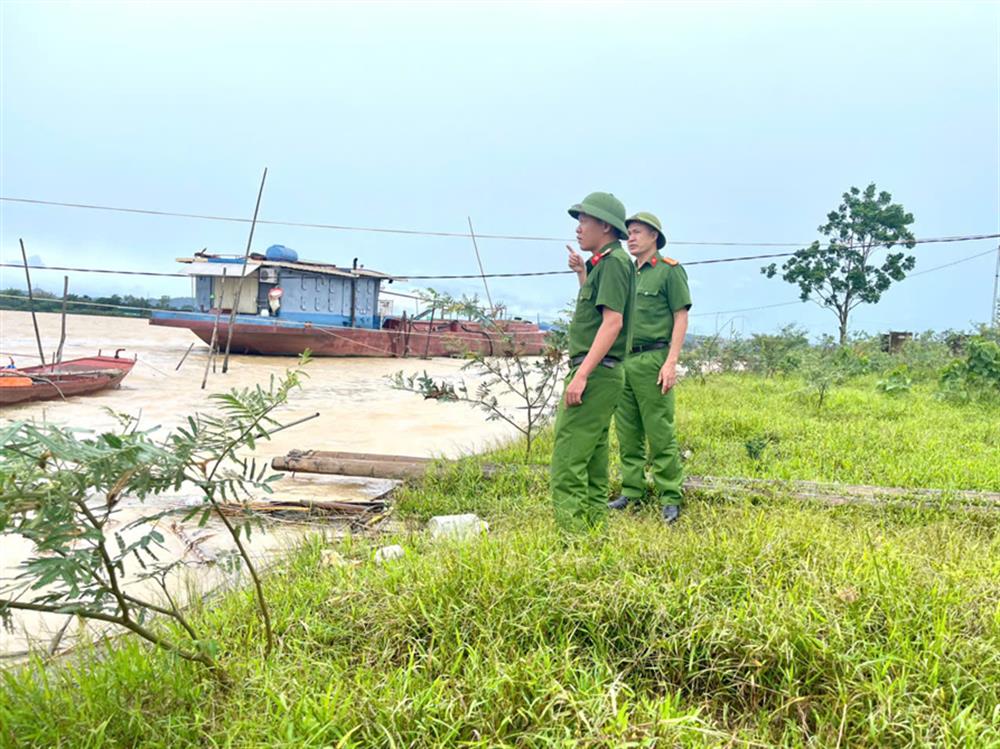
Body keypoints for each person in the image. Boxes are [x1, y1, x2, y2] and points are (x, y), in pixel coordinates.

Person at [551, 192, 635, 532]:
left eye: (584, 221)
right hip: (603, 373)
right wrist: (582, 273)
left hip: (596, 371)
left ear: (605, 225)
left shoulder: (614, 263)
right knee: (594, 456)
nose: (578, 228)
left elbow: (612, 323)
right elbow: (598, 311)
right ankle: (593, 529)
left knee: (569, 456)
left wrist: (582, 374)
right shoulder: (605, 263)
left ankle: (571, 537)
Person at [608, 212, 692, 523]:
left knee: (660, 432)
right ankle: (632, 492)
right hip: (624, 360)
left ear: (653, 236)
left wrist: (671, 362)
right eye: (628, 233)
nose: (630, 238)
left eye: (637, 232)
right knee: (627, 432)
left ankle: (670, 495)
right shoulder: (626, 273)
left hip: (653, 359)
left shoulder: (669, 271)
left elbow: (681, 317)